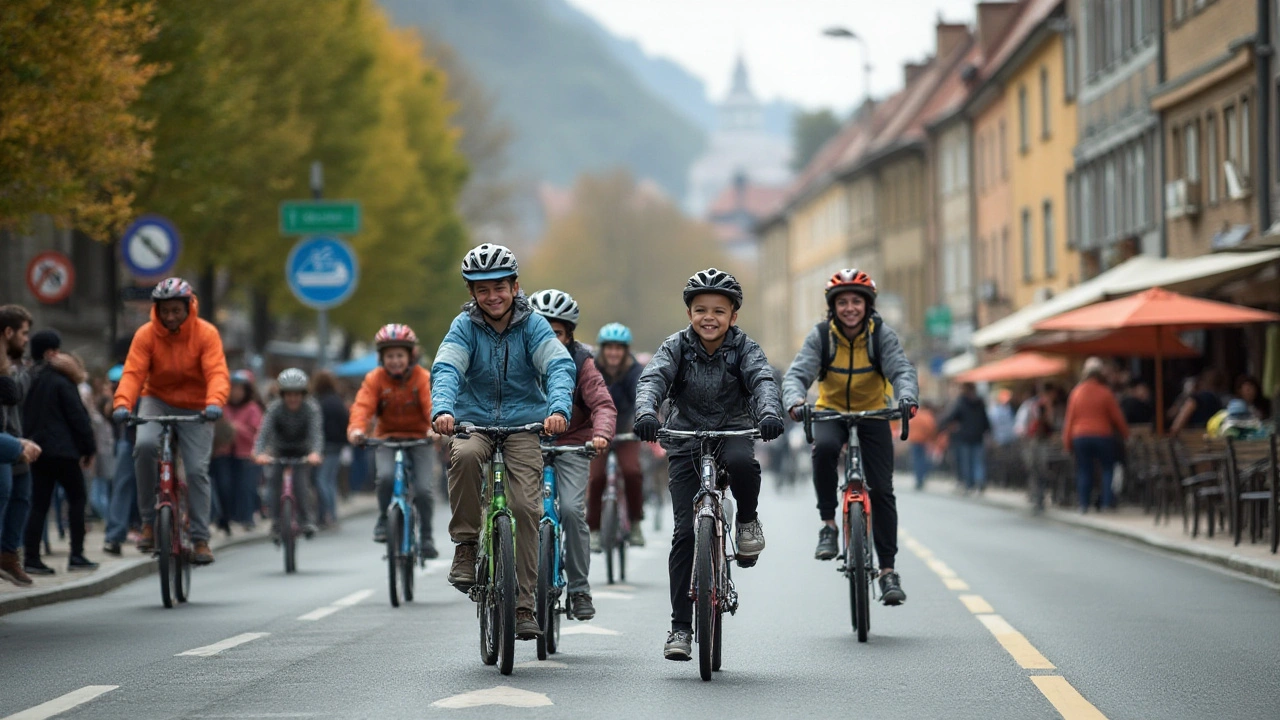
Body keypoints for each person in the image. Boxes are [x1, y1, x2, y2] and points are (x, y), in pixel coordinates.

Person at [634, 267, 783, 661]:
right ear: (689, 314)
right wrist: (647, 412)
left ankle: (747, 519)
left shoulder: (745, 348)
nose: (709, 317)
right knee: (684, 533)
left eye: (719, 310)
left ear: (733, 316)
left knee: (744, 464)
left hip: (732, 429)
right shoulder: (676, 347)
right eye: (701, 309)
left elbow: (763, 380)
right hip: (684, 437)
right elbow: (652, 380)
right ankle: (680, 629)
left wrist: (769, 412)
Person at [431, 244, 576, 641]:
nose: (492, 296)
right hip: (472, 421)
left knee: (527, 508)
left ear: (515, 286)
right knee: (464, 454)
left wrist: (558, 408)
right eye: (482, 289)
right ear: (471, 293)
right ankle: (464, 544)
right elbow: (446, 367)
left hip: (524, 425)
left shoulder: (533, 326)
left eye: (499, 286)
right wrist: (443, 409)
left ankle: (524, 604)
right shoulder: (463, 327)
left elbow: (559, 365)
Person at [781, 268, 919, 605]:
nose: (850, 308)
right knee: (824, 448)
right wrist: (795, 400)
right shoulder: (821, 336)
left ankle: (887, 572)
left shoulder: (881, 334)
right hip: (831, 412)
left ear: (868, 305)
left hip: (874, 413)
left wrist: (907, 397)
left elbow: (901, 370)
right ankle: (828, 524)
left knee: (882, 489)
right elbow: (797, 374)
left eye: (856, 301)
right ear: (833, 307)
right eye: (842, 302)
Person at [112, 278, 229, 565]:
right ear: (157, 310)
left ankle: (201, 538)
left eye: (176, 310)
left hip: (198, 406)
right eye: (165, 311)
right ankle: (149, 523)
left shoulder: (206, 334)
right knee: (145, 447)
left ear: (189, 307)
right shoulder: (145, 335)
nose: (170, 316)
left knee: (197, 470)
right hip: (157, 399)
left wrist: (215, 402)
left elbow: (216, 372)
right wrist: (122, 404)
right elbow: (133, 373)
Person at [529, 289, 617, 622]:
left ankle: (579, 588)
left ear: (569, 335)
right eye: (542, 332)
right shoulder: (520, 357)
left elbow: (603, 405)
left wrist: (600, 434)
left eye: (557, 334)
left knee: (570, 510)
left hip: (573, 445)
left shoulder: (582, 362)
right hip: (527, 443)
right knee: (521, 510)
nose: (549, 340)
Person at [348, 324, 437, 556]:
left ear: (410, 356)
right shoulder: (374, 379)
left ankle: (426, 536)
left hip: (420, 439)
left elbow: (431, 407)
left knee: (424, 490)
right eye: (390, 356)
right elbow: (362, 407)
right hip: (386, 439)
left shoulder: (422, 378)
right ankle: (382, 518)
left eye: (400, 355)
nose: (395, 360)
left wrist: (436, 428)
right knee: (385, 477)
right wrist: (357, 430)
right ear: (381, 358)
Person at [21, 330, 99, 573]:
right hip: (64, 451)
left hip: (37, 449)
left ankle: (31, 558)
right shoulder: (62, 380)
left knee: (38, 504)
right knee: (77, 499)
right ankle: (77, 554)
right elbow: (78, 417)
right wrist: (88, 448)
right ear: (51, 352)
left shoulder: (27, 378)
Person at [588, 322, 646, 550]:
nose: (614, 353)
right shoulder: (591, 368)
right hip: (597, 432)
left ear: (626, 351)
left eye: (619, 348)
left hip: (626, 431)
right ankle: (593, 528)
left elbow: (640, 396)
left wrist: (643, 421)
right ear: (602, 349)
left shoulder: (634, 371)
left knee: (632, 472)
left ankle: (635, 523)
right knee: (596, 478)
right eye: (609, 348)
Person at [254, 369, 323, 540]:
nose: (293, 399)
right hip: (279, 450)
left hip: (302, 451)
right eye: (289, 395)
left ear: (303, 394)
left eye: (297, 395)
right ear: (282, 395)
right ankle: (276, 522)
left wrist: (315, 453)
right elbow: (263, 433)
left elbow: (316, 434)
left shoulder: (311, 408)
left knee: (301, 484)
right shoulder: (274, 408)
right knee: (273, 483)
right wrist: (258, 453)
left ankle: (306, 520)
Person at [0, 318, 41, 586]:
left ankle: (7, 553)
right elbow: (13, 393)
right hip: (8, 441)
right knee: (3, 490)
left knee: (20, 493)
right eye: (23, 333)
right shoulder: (10, 366)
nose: (26, 340)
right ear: (8, 332)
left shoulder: (12, 364)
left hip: (10, 436)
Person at [1062, 357, 1130, 512]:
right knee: (1107, 468)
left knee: (1084, 470)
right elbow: (1117, 417)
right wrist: (1126, 435)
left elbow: (1069, 420)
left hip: (1080, 436)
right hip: (1102, 435)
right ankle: (1106, 503)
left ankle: (1083, 504)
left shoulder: (1076, 392)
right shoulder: (1105, 392)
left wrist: (1067, 443)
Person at [210, 370, 263, 535]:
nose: (236, 393)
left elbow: (257, 433)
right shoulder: (222, 407)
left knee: (245, 487)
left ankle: (246, 518)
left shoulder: (252, 408)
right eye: (233, 389)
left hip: (245, 455)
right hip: (223, 454)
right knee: (224, 486)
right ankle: (224, 519)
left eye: (239, 389)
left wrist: (237, 429)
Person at [102, 364, 140, 555]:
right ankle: (115, 536)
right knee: (122, 486)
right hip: (129, 440)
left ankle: (161, 529)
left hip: (157, 439)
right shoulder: (128, 386)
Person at [312, 370, 349, 527]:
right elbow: (345, 421)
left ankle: (326, 514)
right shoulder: (337, 401)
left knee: (321, 481)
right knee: (329, 481)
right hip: (337, 446)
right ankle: (329, 514)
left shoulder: (319, 402)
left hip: (324, 445)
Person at [940, 383, 992, 493]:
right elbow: (985, 419)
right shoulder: (980, 402)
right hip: (978, 436)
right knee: (978, 461)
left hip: (964, 437)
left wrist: (942, 424)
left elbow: (951, 416)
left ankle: (969, 484)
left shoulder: (961, 402)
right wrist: (987, 431)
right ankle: (979, 481)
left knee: (966, 462)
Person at [907, 403, 938, 490]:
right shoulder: (928, 417)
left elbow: (909, 425)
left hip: (914, 440)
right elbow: (932, 428)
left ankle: (918, 478)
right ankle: (921, 478)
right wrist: (931, 439)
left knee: (916, 460)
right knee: (923, 460)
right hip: (924, 441)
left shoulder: (916, 415)